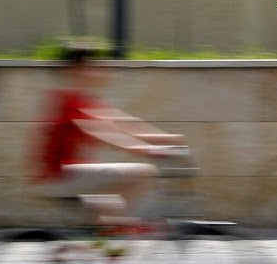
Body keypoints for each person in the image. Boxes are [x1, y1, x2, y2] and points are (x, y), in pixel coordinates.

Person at [30, 45, 188, 222]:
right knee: (143, 173)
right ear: (77, 70)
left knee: (109, 207)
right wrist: (150, 150)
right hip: (58, 176)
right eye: (93, 67)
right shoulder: (69, 101)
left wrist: (166, 139)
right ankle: (116, 230)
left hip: (70, 174)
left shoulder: (83, 99)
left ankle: (104, 236)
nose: (100, 72)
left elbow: (125, 124)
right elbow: (102, 132)